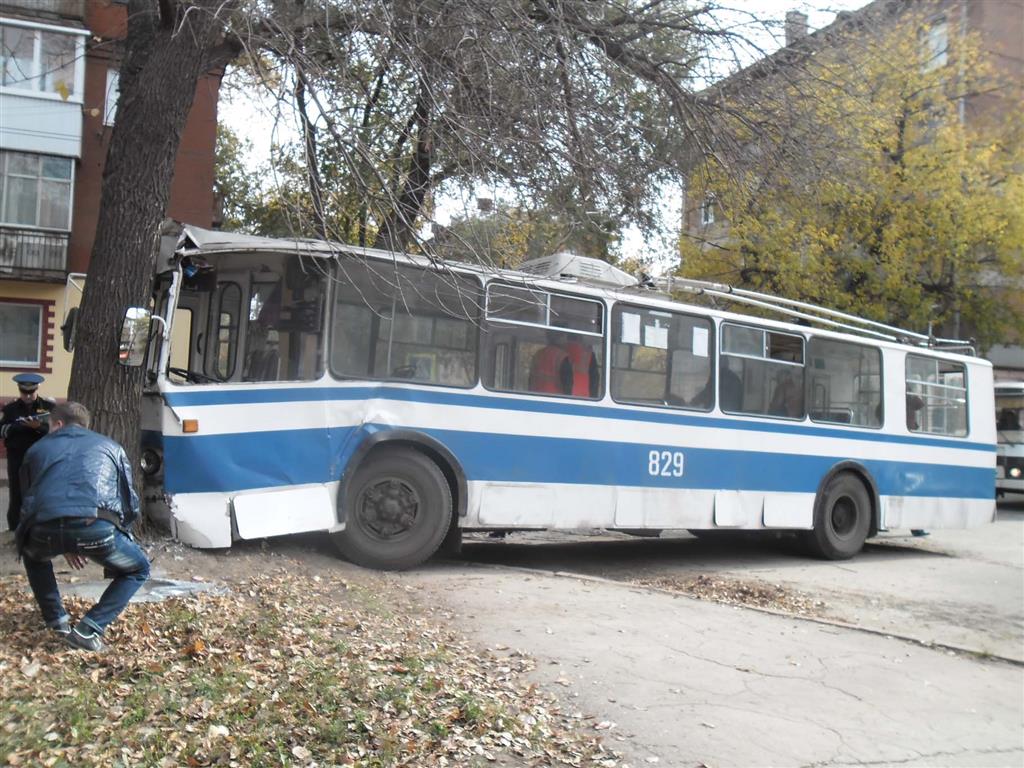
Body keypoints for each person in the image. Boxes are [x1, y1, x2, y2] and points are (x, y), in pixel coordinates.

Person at [16, 401, 149, 651]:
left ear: (57, 424)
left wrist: (61, 539)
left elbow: (26, 499)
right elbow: (129, 501)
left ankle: (57, 621)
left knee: (34, 556)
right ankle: (89, 629)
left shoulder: (36, 449)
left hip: (43, 529)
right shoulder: (111, 447)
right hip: (97, 527)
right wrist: (122, 534)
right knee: (138, 569)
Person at [0, 373, 55, 530]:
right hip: (17, 456)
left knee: (40, 492)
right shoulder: (10, 409)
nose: (28, 396)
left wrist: (39, 427)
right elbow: (1, 430)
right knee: (17, 493)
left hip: (41, 456)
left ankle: (38, 528)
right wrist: (18, 426)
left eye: (32, 392)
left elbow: (57, 431)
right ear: (20, 390)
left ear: (37, 389)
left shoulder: (49, 408)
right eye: (25, 392)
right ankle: (14, 529)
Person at [529, 330, 574, 395]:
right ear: (561, 337)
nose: (566, 341)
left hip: (534, 397)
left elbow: (531, 379)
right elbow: (567, 385)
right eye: (565, 336)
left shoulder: (538, 354)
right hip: (555, 399)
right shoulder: (562, 357)